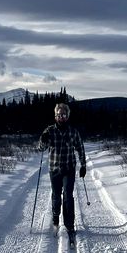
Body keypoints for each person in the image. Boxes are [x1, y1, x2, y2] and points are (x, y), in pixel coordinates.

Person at [38, 102, 86, 243]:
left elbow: (80, 148)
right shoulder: (49, 131)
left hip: (69, 168)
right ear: (55, 116)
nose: (61, 117)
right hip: (54, 169)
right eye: (59, 115)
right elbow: (40, 148)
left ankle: (69, 225)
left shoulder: (73, 132)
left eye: (64, 115)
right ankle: (55, 219)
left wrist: (83, 165)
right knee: (56, 196)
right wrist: (43, 140)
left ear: (67, 116)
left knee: (68, 196)